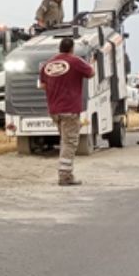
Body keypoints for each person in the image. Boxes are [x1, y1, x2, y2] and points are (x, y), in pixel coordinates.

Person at [38, 37, 95, 185]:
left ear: (59, 48)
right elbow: (91, 73)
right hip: (69, 108)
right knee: (69, 142)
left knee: (64, 140)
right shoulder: (75, 61)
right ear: (72, 48)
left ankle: (64, 173)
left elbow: (43, 85)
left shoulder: (47, 64)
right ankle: (65, 176)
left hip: (54, 109)